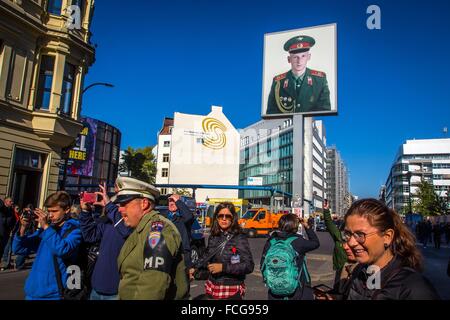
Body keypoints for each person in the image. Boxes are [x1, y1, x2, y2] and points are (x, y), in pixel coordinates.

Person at [343, 198, 440, 300]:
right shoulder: (360, 271)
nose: (351, 243)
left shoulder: (413, 288)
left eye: (360, 234)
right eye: (348, 234)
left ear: (387, 237)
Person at [115, 177, 189, 300]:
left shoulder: (159, 230)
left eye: (124, 204)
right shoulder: (141, 228)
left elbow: (152, 287)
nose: (120, 209)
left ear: (144, 204)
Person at [12, 191, 82, 300]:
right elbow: (18, 249)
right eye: (48, 211)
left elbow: (62, 250)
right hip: (32, 292)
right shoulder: (48, 229)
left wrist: (46, 226)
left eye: (54, 211)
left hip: (54, 294)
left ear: (67, 210)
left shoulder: (74, 230)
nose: (50, 215)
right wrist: (23, 228)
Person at [79, 183, 132, 300]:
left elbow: (124, 228)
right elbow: (90, 235)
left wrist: (109, 205)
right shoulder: (109, 221)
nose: (120, 207)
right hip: (96, 287)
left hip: (117, 290)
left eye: (122, 202)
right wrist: (85, 212)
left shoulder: (130, 224)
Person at [191, 202, 254, 300]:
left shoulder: (239, 237)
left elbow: (249, 265)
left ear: (233, 218)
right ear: (216, 218)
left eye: (228, 216)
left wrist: (223, 268)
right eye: (221, 216)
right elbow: (207, 255)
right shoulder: (214, 235)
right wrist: (195, 268)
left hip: (231, 288)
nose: (224, 219)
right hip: (212, 285)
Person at [266, 35, 331, 115]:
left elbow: (325, 111)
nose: (299, 61)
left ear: (309, 57)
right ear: (289, 59)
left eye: (303, 56)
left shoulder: (320, 80)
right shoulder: (278, 82)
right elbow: (271, 113)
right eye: (295, 57)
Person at [260, 214, 319, 300]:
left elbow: (263, 265)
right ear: (295, 226)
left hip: (274, 292)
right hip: (297, 290)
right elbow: (315, 243)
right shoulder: (298, 241)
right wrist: (306, 226)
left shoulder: (271, 242)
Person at [162, 194, 194, 276]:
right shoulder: (163, 217)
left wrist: (178, 201)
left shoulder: (183, 218)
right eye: (170, 201)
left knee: (181, 286)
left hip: (181, 256)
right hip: (165, 255)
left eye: (174, 201)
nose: (171, 203)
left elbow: (189, 216)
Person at [322, 199, 349, 288]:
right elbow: (329, 223)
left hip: (355, 268)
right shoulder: (339, 236)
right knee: (338, 290)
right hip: (340, 269)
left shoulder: (358, 239)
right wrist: (326, 210)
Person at [0, 197, 16, 261]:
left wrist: (12, 229)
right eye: (10, 201)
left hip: (6, 234)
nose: (12, 202)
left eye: (12, 201)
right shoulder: (1, 208)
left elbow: (13, 221)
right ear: (5, 202)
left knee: (1, 250)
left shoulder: (11, 211)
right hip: (0, 232)